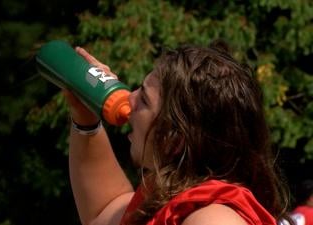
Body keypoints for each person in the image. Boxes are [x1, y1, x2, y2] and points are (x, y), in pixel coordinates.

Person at [63, 41, 292, 225]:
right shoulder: (171, 201)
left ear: (176, 138)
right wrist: (85, 117)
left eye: (143, 99)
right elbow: (104, 210)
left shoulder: (213, 219)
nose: (129, 99)